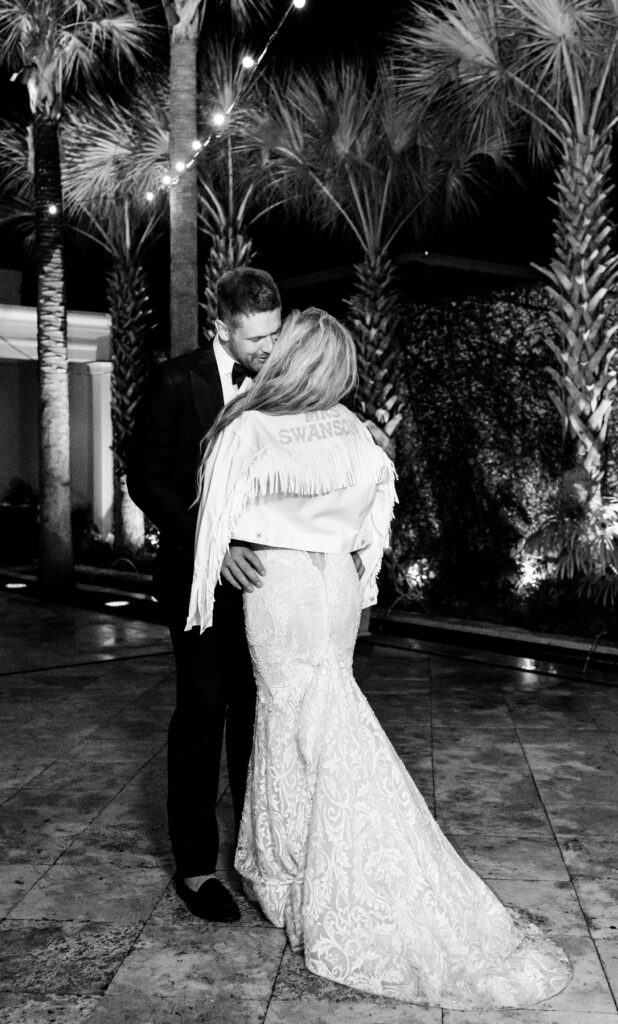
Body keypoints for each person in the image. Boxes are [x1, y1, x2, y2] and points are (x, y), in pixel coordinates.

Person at [186, 307, 572, 1009]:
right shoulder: (359, 434)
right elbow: (373, 532)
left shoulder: (250, 427)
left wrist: (236, 550)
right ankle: (303, 867)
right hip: (332, 587)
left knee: (288, 717)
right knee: (325, 708)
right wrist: (357, 588)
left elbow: (215, 523)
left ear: (291, 359)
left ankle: (297, 873)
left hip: (278, 588)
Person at [127, 267, 282, 923]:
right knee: (203, 707)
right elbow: (145, 479)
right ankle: (195, 869)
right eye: (254, 340)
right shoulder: (173, 380)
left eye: (274, 334)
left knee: (256, 712)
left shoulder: (281, 379)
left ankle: (256, 858)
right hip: (195, 576)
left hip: (265, 577)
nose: (268, 351)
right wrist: (214, 541)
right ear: (220, 326)